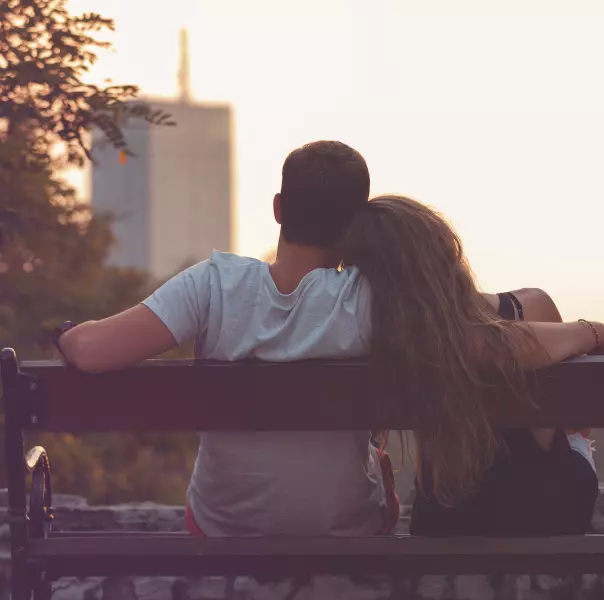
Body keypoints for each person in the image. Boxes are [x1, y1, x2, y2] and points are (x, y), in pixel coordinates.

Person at [52, 140, 400, 537]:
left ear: (278, 209)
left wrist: (65, 334)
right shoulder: (372, 297)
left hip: (223, 527)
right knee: (379, 463)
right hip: (345, 529)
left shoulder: (215, 284)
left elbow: (91, 351)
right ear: (359, 223)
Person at [336, 195, 604, 536]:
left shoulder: (382, 339)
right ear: (444, 252)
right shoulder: (530, 307)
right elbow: (581, 418)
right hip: (548, 512)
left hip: (443, 518)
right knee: (571, 439)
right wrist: (595, 331)